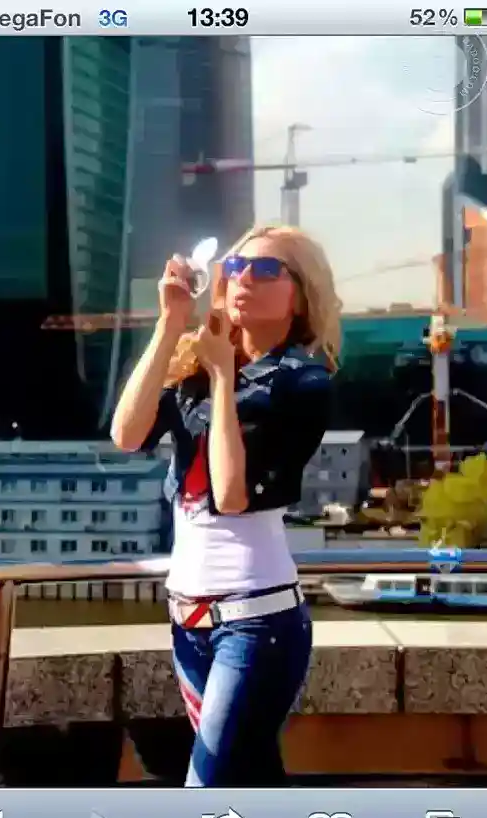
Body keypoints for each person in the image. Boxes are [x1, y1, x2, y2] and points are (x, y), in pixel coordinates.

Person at [111, 224, 341, 787]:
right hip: (188, 620)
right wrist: (171, 323)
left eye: (266, 270)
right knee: (249, 784)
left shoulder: (302, 383)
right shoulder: (198, 362)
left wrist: (220, 379)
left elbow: (232, 495)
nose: (244, 279)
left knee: (208, 792)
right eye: (236, 267)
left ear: (300, 295)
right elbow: (127, 434)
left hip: (256, 621)